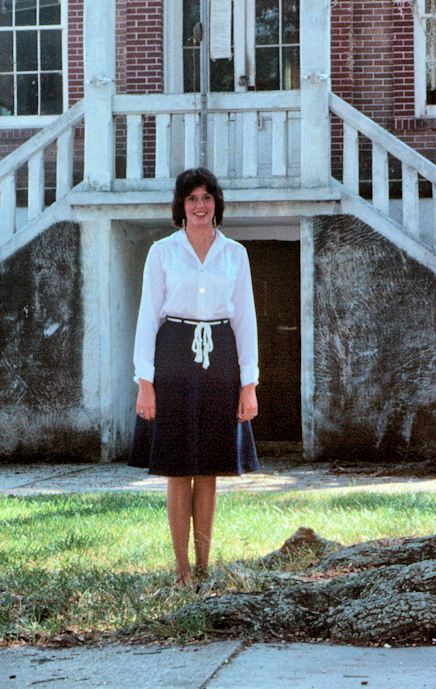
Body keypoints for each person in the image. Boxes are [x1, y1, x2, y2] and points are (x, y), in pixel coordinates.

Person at [127, 167, 259, 583]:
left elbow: (246, 322)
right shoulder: (162, 252)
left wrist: (248, 384)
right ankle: (181, 569)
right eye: (192, 198)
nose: (200, 205)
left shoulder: (235, 254)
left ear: (216, 204)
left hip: (220, 360)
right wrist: (144, 382)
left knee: (209, 469)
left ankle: (204, 566)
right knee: (178, 468)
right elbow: (147, 317)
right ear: (181, 207)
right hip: (173, 360)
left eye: (206, 197)